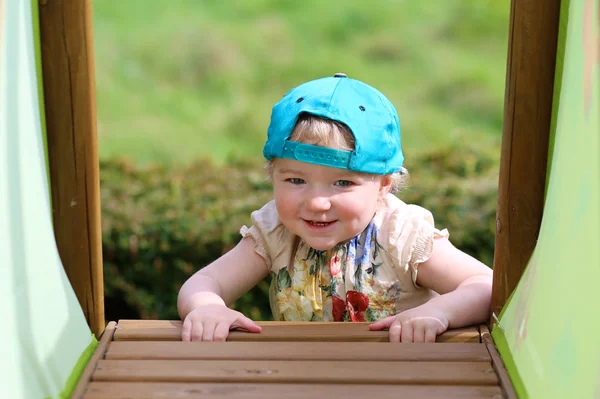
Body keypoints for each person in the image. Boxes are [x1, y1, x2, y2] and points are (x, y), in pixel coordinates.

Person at [177, 73, 493, 343]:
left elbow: (485, 285)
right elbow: (205, 283)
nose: (316, 202)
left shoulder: (400, 236)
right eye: (296, 180)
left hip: (400, 380)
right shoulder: (277, 231)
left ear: (383, 185)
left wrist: (437, 312)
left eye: (342, 183)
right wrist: (207, 307)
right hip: (304, 380)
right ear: (272, 175)